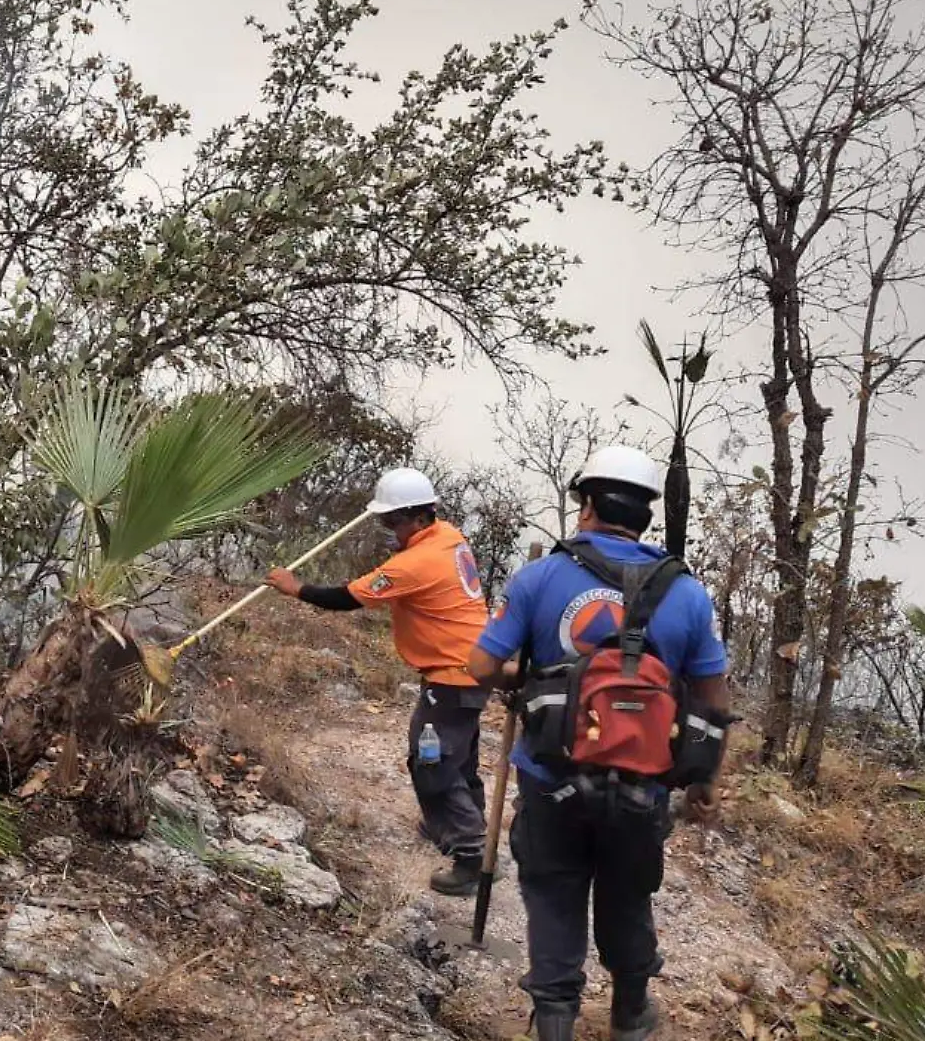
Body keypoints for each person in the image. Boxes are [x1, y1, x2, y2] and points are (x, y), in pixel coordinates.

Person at [464, 446, 731, 1041]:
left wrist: (528, 679)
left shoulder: (540, 576)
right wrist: (705, 782)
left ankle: (554, 1020)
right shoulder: (687, 593)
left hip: (550, 775)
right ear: (644, 517)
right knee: (628, 891)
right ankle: (630, 1012)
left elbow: (481, 666)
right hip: (644, 782)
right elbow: (713, 701)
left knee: (554, 889)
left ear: (587, 506)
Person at [266, 468, 491, 896]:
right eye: (383, 521)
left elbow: (348, 598)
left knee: (432, 762)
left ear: (418, 518)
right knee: (458, 757)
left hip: (452, 675)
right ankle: (458, 826)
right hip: (475, 666)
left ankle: (470, 855)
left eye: (392, 522)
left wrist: (295, 588)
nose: (388, 530)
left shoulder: (415, 563)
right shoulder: (448, 536)